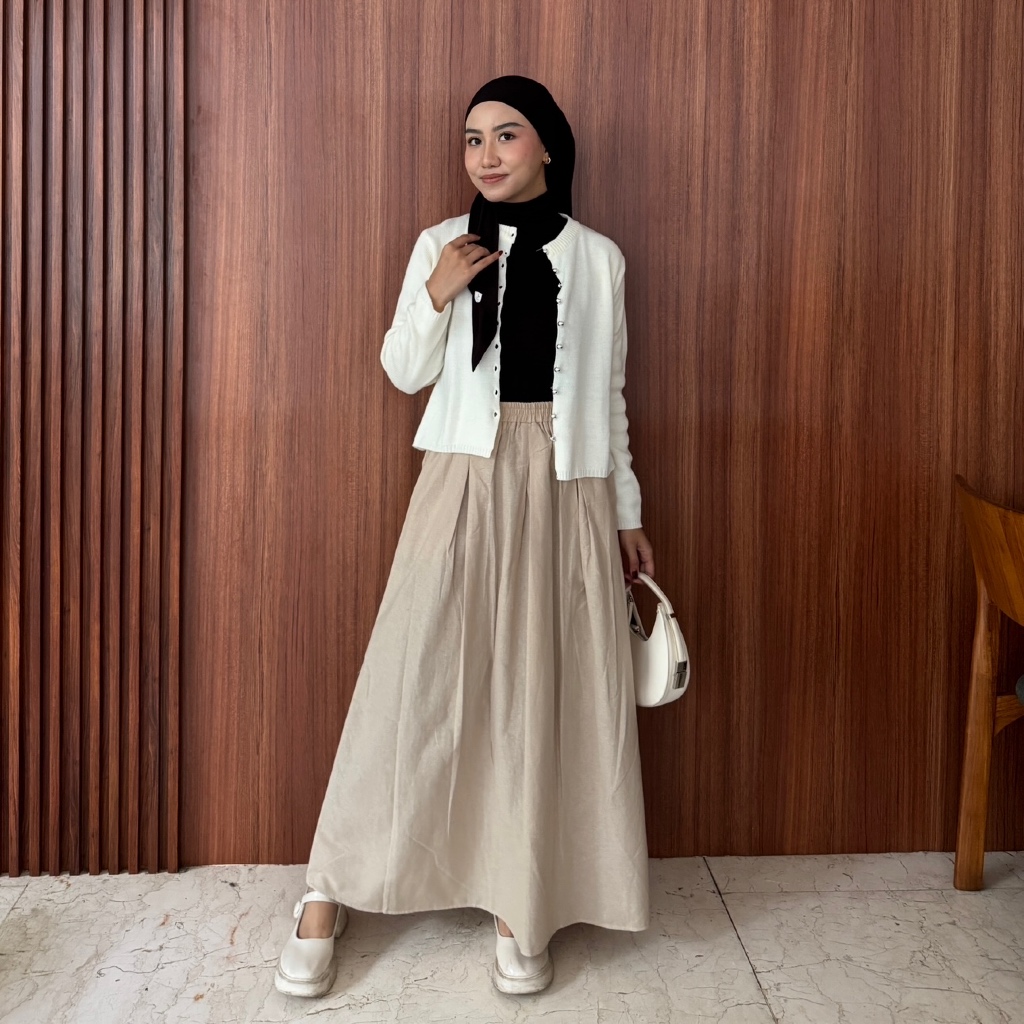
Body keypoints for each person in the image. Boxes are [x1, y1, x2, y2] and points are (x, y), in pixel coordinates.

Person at [275, 75, 654, 999]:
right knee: (413, 678)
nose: (485, 154)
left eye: (506, 135)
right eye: (473, 139)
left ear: (548, 146)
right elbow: (403, 370)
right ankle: (329, 887)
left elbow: (609, 396)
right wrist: (439, 293)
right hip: (463, 475)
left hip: (568, 486)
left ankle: (522, 898)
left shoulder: (599, 258)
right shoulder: (441, 245)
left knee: (542, 690)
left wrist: (627, 512)